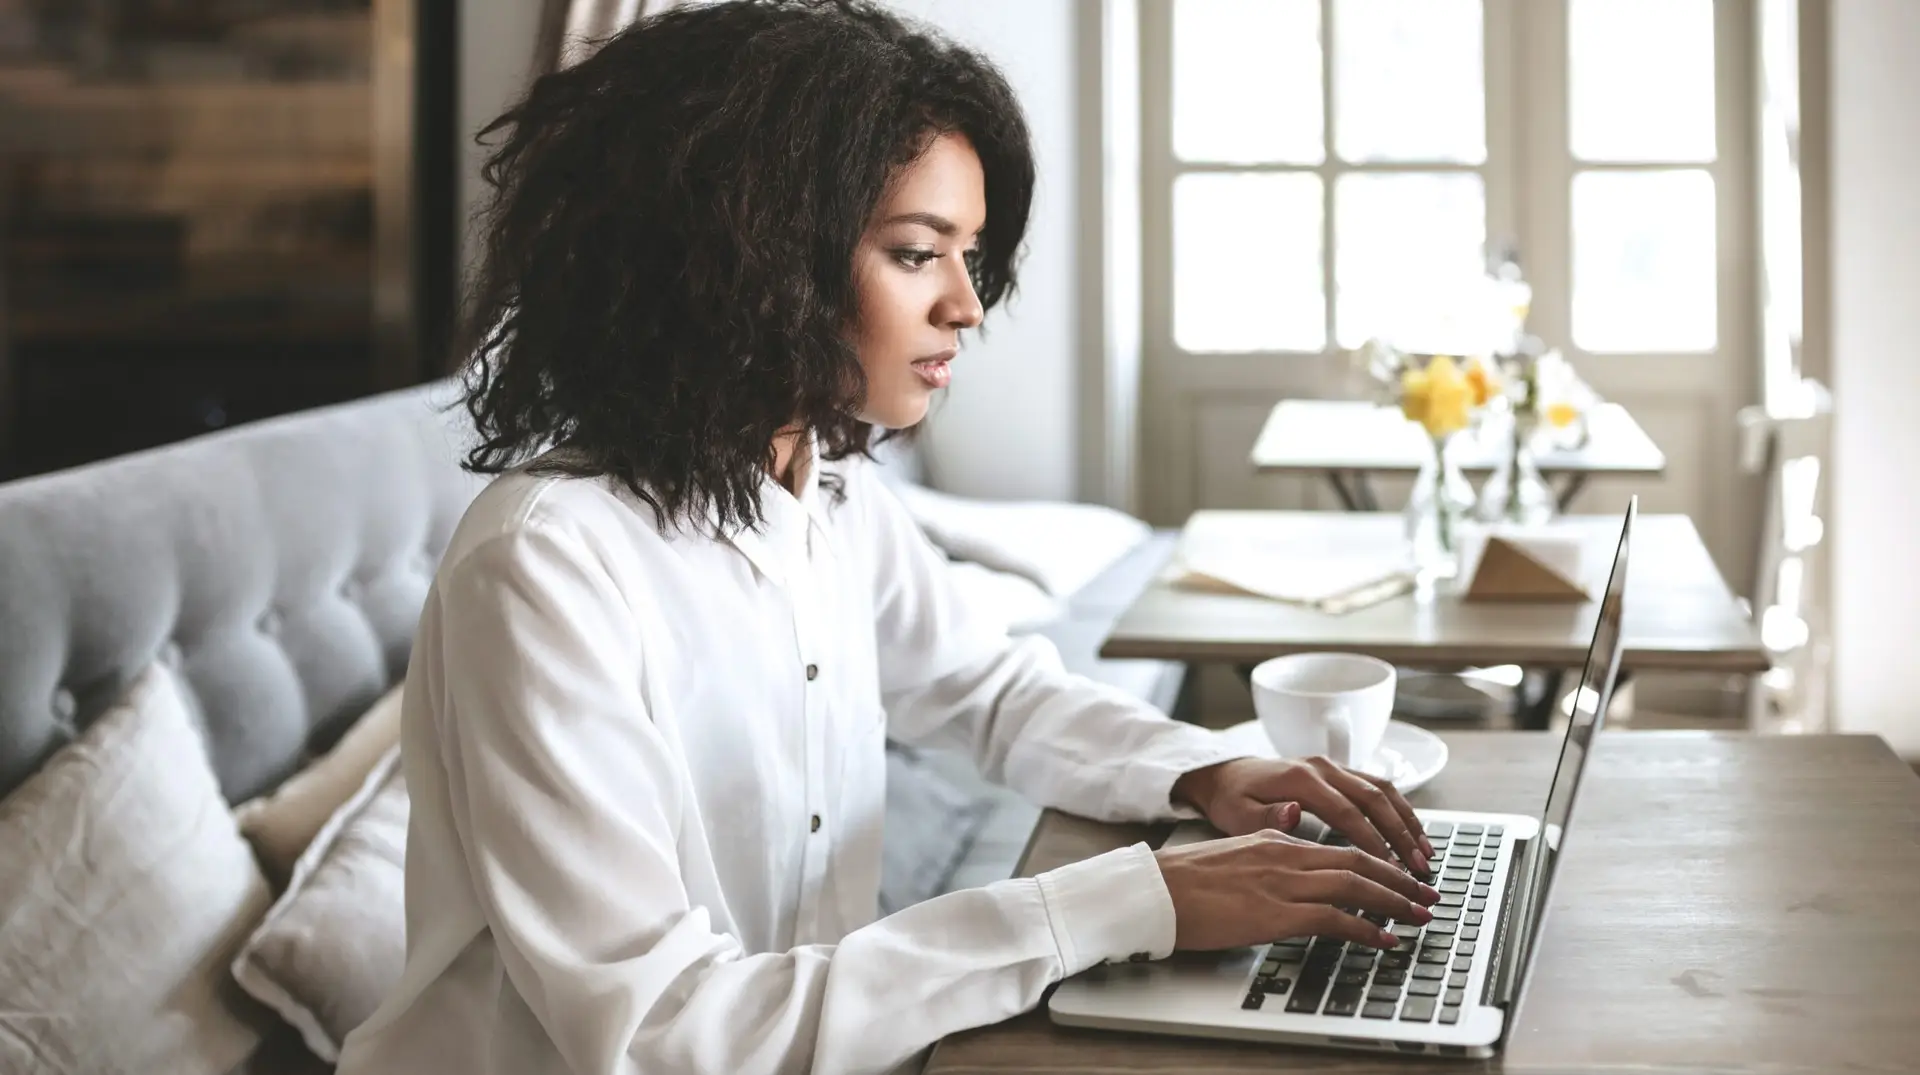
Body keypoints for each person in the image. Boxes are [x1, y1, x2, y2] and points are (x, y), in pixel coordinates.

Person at [334, 3, 1437, 1073]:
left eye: (970, 256)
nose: (968, 305)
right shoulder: (544, 565)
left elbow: (984, 687)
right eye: (919, 253)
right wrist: (1130, 901)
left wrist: (1209, 769)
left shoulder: (827, 488)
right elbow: (661, 1031)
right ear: (752, 260)